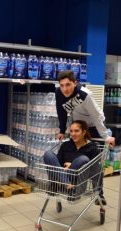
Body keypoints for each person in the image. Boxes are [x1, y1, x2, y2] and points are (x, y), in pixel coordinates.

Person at [55, 70, 114, 204]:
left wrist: (105, 136)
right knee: (74, 155)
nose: (65, 89)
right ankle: (72, 188)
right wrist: (62, 129)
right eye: (62, 85)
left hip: (94, 126)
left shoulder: (85, 95)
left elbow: (97, 117)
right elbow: (61, 110)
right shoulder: (59, 92)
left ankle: (99, 193)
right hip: (79, 126)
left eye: (68, 85)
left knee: (95, 162)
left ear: (75, 83)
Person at [43, 120, 100, 199]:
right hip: (61, 177)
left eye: (76, 131)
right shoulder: (66, 145)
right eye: (71, 131)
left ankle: (67, 187)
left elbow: (95, 170)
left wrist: (71, 165)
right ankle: (66, 184)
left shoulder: (92, 148)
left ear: (84, 132)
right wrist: (64, 167)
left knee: (83, 159)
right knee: (48, 153)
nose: (73, 134)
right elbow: (57, 163)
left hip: (77, 183)